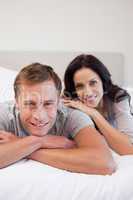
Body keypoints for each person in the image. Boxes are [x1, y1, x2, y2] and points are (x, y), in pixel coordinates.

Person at [0, 62, 115, 174]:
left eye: (48, 104)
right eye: (30, 104)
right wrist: (39, 142)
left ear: (58, 101)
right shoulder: (4, 114)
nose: (39, 116)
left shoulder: (73, 117)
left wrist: (33, 144)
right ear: (16, 102)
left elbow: (105, 163)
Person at [63, 54, 133, 155]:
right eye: (79, 86)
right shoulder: (72, 104)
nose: (88, 93)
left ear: (103, 81)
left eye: (93, 83)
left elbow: (129, 149)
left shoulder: (117, 97)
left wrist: (94, 114)